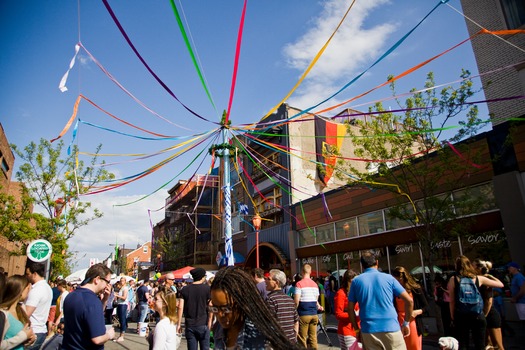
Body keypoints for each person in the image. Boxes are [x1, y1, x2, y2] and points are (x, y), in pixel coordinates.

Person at [210, 267, 301, 349]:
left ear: (241, 303)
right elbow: (295, 321)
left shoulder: (260, 333)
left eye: (226, 308)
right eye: (215, 308)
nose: (220, 315)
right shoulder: (219, 329)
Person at [347, 250, 413, 350]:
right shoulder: (389, 278)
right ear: (377, 262)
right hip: (391, 328)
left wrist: (356, 330)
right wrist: (406, 323)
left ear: (362, 265)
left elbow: (350, 308)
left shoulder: (356, 281)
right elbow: (409, 301)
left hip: (369, 330)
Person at [447, 255, 504, 350]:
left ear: (456, 266)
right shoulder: (478, 278)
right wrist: (490, 276)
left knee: (463, 343)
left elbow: (451, 300)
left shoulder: (453, 279)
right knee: (480, 344)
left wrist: (452, 315)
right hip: (477, 314)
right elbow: (500, 285)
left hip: (461, 315)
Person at [62, 263, 115, 349]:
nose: (108, 286)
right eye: (107, 282)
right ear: (97, 279)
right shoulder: (93, 301)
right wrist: (109, 335)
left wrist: (105, 299)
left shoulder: (70, 296)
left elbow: (91, 316)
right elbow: (97, 339)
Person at [392, 266, 429, 350]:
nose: (398, 282)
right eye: (396, 280)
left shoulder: (415, 289)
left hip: (412, 322)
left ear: (405, 277)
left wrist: (417, 312)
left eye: (400, 279)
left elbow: (426, 307)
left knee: (413, 346)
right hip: (398, 322)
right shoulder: (393, 291)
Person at [176, 268, 212, 350]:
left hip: (190, 324)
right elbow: (210, 306)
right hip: (203, 323)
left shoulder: (185, 289)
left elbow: (180, 307)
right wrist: (210, 321)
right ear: (202, 277)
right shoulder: (207, 289)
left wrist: (178, 324)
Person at [473, 259, 504, 350]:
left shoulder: (485, 281)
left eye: (473, 265)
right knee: (489, 345)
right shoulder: (478, 279)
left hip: (490, 315)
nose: (471, 267)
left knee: (498, 346)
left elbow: (489, 301)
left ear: (478, 268)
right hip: (483, 314)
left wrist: (484, 315)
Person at [0, 275, 36, 349]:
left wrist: (31, 338)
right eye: (28, 288)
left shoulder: (21, 309)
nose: (29, 291)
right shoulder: (3, 313)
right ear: (21, 290)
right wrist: (23, 336)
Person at [264, 269, 299, 343]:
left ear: (276, 282)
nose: (265, 280)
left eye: (268, 279)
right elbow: (296, 322)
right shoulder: (290, 300)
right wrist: (294, 338)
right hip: (291, 342)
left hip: (278, 342)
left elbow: (268, 322)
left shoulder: (271, 300)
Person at [293, 263, 323, 349]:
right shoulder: (315, 285)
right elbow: (316, 300)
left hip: (303, 314)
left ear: (302, 272)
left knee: (302, 338)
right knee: (313, 337)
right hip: (314, 314)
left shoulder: (299, 284)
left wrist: (294, 310)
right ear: (310, 272)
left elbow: (296, 300)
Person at [25, 261, 53, 350]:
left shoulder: (37, 290)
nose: (27, 276)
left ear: (34, 274)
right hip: (40, 329)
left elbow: (26, 314)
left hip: (33, 330)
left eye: (28, 274)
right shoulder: (47, 288)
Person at [334, 269, 360, 350]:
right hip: (347, 330)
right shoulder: (341, 293)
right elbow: (338, 314)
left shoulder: (356, 292)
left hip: (357, 329)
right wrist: (354, 315)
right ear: (348, 281)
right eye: (353, 282)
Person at [114, 277, 128, 342]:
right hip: (119, 304)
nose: (121, 282)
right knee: (120, 319)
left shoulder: (125, 288)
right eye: (120, 281)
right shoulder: (121, 288)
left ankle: (122, 335)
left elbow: (124, 297)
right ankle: (120, 335)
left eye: (122, 281)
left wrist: (117, 296)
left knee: (122, 320)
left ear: (125, 281)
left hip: (123, 305)